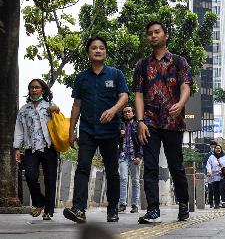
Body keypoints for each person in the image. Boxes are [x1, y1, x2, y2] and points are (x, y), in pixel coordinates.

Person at [63, 35, 129, 223]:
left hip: (110, 131)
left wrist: (113, 110)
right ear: (88, 52)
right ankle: (78, 209)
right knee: (83, 167)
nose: (98, 50)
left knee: (112, 171)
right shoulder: (81, 77)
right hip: (87, 130)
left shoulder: (116, 74)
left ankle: (113, 209)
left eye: (101, 48)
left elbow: (124, 97)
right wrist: (71, 130)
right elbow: (77, 104)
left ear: (105, 52)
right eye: (94, 48)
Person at [134, 21, 192, 223]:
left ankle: (183, 203)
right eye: (149, 33)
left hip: (172, 121)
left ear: (166, 35)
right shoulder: (142, 65)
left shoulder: (178, 61)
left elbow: (186, 87)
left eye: (157, 32)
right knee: (149, 166)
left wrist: (181, 103)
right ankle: (152, 209)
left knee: (176, 165)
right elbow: (139, 94)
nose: (153, 36)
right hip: (149, 121)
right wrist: (139, 121)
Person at [13, 79, 60, 220]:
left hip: (49, 147)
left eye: (37, 87)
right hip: (30, 149)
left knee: (50, 179)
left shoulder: (50, 106)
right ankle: (40, 202)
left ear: (43, 90)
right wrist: (16, 148)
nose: (34, 90)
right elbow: (19, 129)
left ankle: (48, 211)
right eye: (32, 88)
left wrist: (55, 110)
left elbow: (59, 120)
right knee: (30, 176)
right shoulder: (24, 109)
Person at [118, 105, 143, 213]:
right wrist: (119, 134)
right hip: (123, 156)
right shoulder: (120, 125)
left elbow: (142, 141)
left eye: (129, 112)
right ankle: (122, 204)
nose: (127, 113)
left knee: (135, 180)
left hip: (134, 156)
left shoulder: (138, 125)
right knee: (123, 179)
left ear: (133, 113)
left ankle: (134, 205)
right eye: (125, 112)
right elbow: (114, 140)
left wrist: (139, 156)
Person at [206, 144, 225, 209]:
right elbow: (208, 164)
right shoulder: (211, 157)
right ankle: (217, 203)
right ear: (214, 150)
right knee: (215, 190)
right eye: (216, 148)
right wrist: (209, 171)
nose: (218, 149)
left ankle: (224, 202)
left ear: (221, 149)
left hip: (223, 176)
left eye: (219, 148)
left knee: (223, 188)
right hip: (214, 176)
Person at [203, 140, 217, 208]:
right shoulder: (207, 155)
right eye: (212, 147)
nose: (213, 148)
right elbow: (204, 164)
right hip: (209, 174)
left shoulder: (219, 154)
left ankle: (217, 202)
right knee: (211, 189)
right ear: (210, 147)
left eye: (214, 146)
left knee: (217, 189)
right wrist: (206, 172)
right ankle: (211, 203)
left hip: (218, 174)